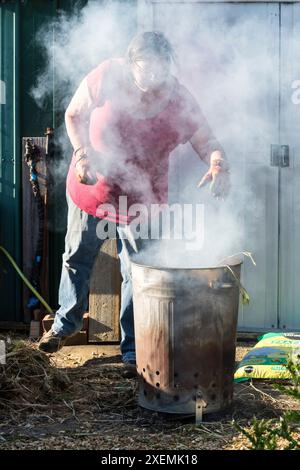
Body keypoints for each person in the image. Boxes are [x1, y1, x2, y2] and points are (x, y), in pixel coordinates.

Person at [38, 31, 230, 376]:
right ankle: (64, 326)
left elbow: (207, 139)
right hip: (92, 189)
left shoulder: (178, 99)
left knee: (138, 273)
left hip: (143, 198)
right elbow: (74, 114)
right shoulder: (107, 76)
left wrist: (217, 163)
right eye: (144, 65)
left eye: (159, 66)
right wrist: (81, 155)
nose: (151, 74)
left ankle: (132, 349)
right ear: (131, 63)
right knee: (76, 258)